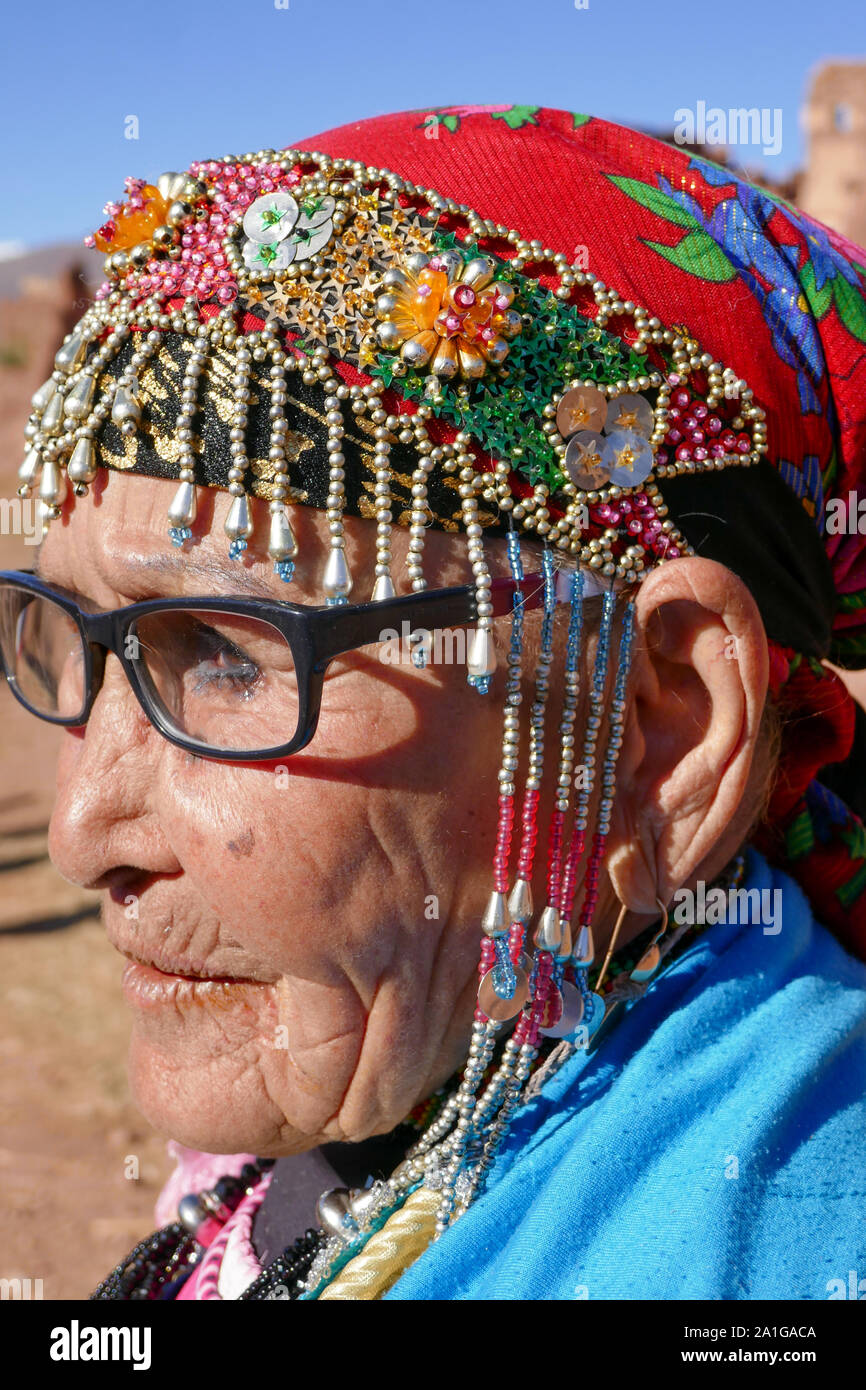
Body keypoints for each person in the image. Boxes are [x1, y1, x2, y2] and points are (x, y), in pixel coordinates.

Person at [3, 104, 866, 1301]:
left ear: (657, 727)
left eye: (227, 655)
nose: (80, 832)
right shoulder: (411, 1089)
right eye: (77, 638)